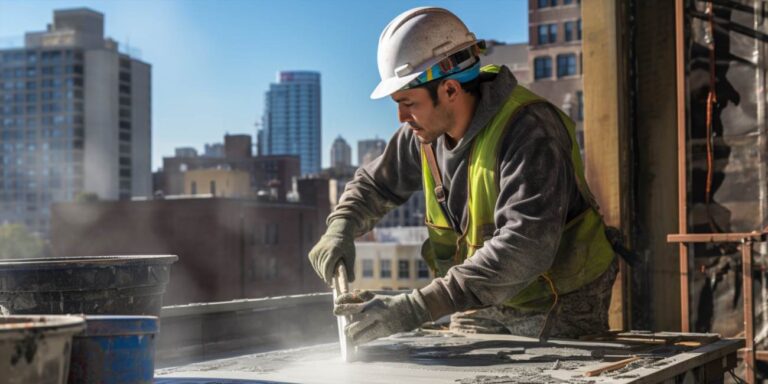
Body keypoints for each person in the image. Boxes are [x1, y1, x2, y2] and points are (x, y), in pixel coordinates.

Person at [309, 6, 618, 345]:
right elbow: (374, 183)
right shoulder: (424, 133)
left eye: (408, 102)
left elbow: (526, 245)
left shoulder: (529, 131)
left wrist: (416, 307)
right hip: (478, 294)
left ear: (451, 90)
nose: (400, 117)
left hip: (556, 296)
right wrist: (342, 225)